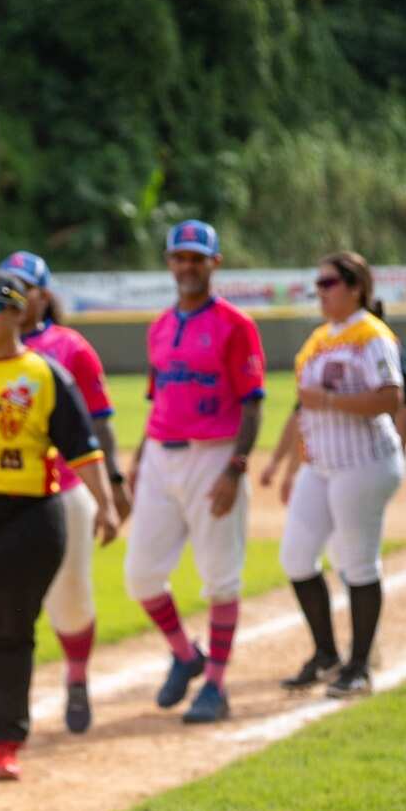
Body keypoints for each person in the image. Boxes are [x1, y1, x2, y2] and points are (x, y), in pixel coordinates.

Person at [0, 274, 120, 780]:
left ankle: (6, 739)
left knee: (9, 632)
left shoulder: (43, 374)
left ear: (19, 313)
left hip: (23, 518)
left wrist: (106, 503)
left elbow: (82, 446)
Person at [127, 220, 267, 725]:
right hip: (162, 455)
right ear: (168, 263)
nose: (187, 266)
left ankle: (216, 685)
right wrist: (141, 457)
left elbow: (253, 405)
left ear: (215, 262)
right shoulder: (160, 325)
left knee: (220, 579)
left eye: (196, 257)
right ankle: (187, 655)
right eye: (178, 257)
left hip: (214, 454)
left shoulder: (235, 324)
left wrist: (235, 468)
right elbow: (158, 396)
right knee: (141, 575)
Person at [0, 251, 131, 732]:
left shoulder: (69, 347)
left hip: (64, 487)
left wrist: (111, 482)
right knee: (1, 603)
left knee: (69, 598)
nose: (18, 295)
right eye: (9, 285)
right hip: (0, 492)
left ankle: (76, 677)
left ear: (43, 295)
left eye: (25, 286)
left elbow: (99, 424)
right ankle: (7, 706)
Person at [262, 251, 405, 699]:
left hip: (363, 462)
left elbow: (389, 399)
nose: (320, 291)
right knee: (296, 558)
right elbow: (304, 407)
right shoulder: (320, 338)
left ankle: (359, 666)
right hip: (321, 464)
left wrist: (330, 401)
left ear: (356, 286)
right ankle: (326, 655)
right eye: (318, 284)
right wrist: (286, 463)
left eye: (329, 283)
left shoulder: (372, 336)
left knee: (357, 561)